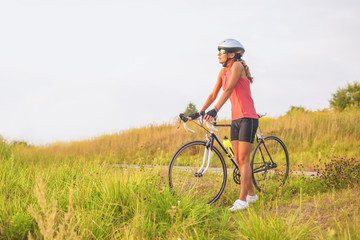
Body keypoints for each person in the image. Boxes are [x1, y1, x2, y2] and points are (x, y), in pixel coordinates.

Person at [189, 39, 259, 212]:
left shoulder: (237, 66)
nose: (218, 55)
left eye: (221, 52)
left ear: (232, 54)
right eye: (218, 52)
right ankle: (252, 195)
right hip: (236, 119)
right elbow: (214, 93)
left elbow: (228, 90)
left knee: (243, 160)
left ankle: (242, 200)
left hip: (248, 118)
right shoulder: (223, 73)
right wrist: (200, 111)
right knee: (238, 159)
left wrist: (215, 110)